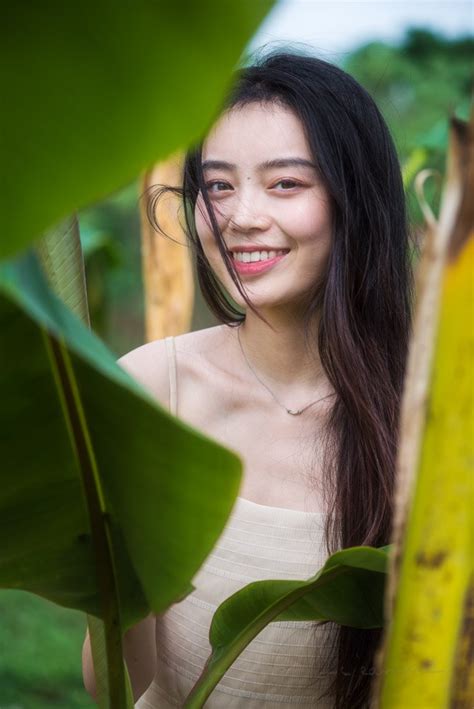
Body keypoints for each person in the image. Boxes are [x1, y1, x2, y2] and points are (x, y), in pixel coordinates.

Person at [82, 50, 414, 708]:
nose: (241, 216)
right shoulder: (151, 387)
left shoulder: (425, 418)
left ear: (355, 199)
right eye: (219, 186)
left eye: (285, 184)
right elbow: (115, 686)